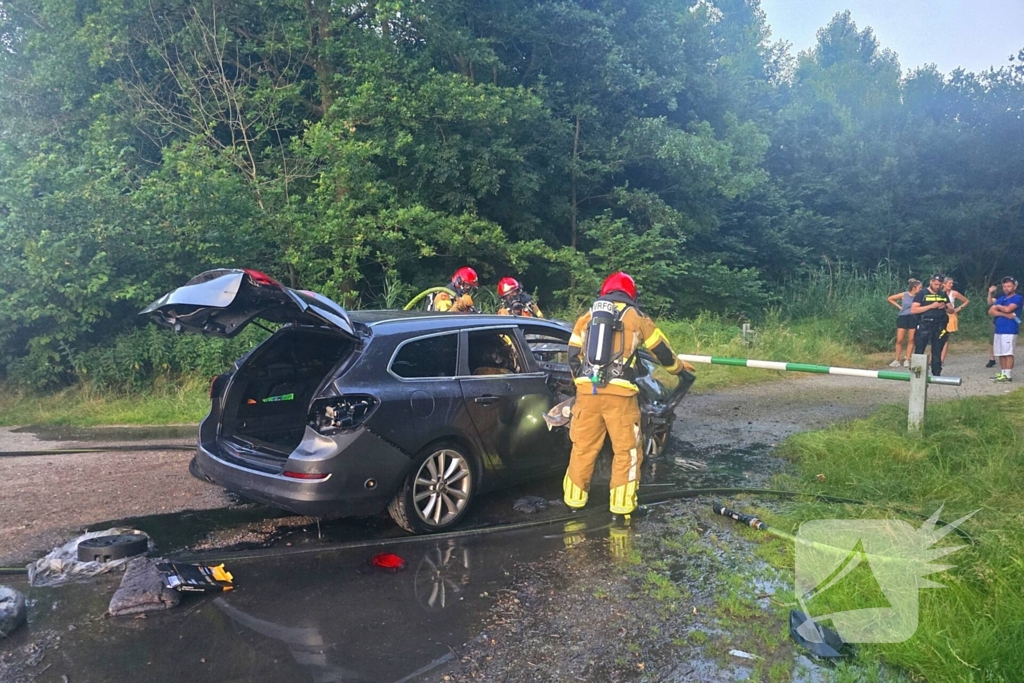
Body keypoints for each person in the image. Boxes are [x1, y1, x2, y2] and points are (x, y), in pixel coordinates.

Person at [563, 272, 692, 520]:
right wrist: (680, 369)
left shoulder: (586, 317)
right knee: (627, 451)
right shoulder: (637, 317)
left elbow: (571, 355)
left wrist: (583, 384)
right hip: (620, 398)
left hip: (587, 393)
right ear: (631, 294)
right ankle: (622, 508)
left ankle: (573, 503)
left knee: (583, 448)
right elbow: (662, 352)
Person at [910, 274, 954, 377]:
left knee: (937, 349)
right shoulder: (922, 293)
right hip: (924, 324)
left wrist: (945, 307)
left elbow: (951, 310)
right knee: (920, 349)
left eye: (939, 285)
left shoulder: (943, 294)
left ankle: (936, 372)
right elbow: (914, 310)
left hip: (939, 325)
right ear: (931, 282)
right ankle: (917, 372)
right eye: (935, 284)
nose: (937, 286)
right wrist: (931, 306)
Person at [987, 276, 1022, 382]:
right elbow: (991, 311)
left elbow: (1009, 308)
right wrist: (1005, 314)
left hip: (1010, 329)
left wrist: (999, 307)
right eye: (1004, 286)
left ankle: (1008, 374)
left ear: (1014, 287)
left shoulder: (1018, 298)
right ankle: (1003, 373)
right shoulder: (1002, 298)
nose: (1006, 288)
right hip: (999, 328)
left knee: (1008, 352)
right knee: (1000, 352)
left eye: (1009, 286)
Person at [887, 279, 922, 367]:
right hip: (903, 317)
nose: (921, 289)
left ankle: (907, 359)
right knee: (899, 339)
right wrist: (899, 307)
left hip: (913, 317)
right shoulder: (904, 295)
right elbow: (890, 298)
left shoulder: (919, 296)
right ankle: (897, 359)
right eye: (919, 288)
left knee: (911, 339)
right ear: (914, 288)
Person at [940, 277, 969, 365]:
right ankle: (933, 358)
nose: (951, 285)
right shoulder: (939, 293)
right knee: (937, 337)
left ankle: (941, 359)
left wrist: (958, 309)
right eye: (949, 283)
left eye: (952, 283)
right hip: (939, 315)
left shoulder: (954, 293)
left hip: (950, 316)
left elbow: (966, 301)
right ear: (944, 284)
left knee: (945, 338)